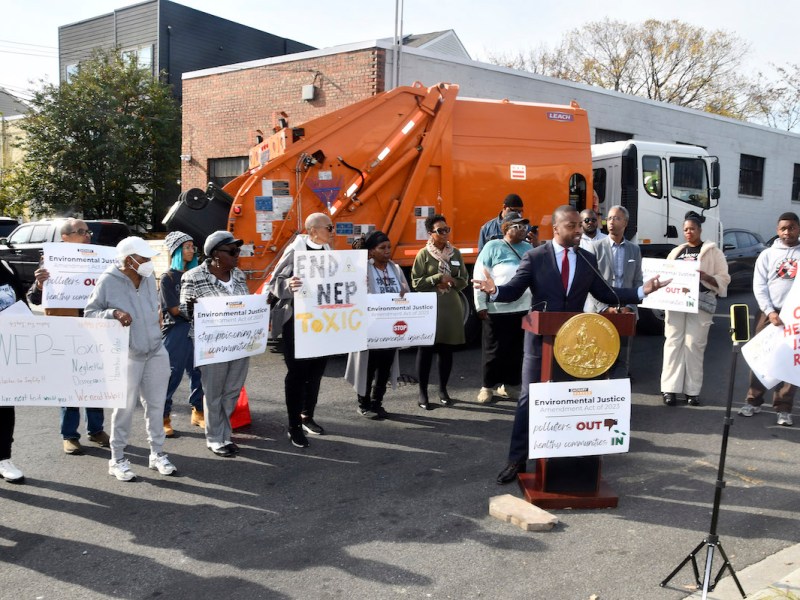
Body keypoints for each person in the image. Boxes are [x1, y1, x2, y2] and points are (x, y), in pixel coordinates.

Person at [473, 205, 668, 485]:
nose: (579, 230)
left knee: (569, 400)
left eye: (580, 225)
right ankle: (517, 458)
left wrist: (640, 291)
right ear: (556, 228)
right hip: (540, 342)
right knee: (530, 399)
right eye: (572, 226)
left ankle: (563, 457)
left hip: (574, 343)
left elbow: (606, 293)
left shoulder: (587, 259)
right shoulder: (535, 257)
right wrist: (495, 291)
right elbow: (514, 290)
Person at [85, 237, 176, 481]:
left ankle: (157, 454)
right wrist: (113, 313)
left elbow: (153, 307)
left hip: (156, 349)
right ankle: (117, 459)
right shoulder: (108, 280)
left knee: (157, 405)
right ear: (129, 260)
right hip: (127, 354)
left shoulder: (147, 277)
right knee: (123, 409)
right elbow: (90, 312)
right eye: (144, 258)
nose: (149, 263)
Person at [26, 218, 110, 456]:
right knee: (69, 384)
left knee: (95, 381)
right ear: (65, 237)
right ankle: (70, 435)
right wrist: (40, 285)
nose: (87, 235)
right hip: (67, 331)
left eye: (88, 231)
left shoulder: (98, 259)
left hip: (95, 329)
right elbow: (34, 299)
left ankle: (96, 430)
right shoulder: (52, 261)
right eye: (81, 232)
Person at [180, 230, 250, 456]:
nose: (237, 254)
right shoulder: (194, 276)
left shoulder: (238, 274)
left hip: (239, 342)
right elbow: (184, 309)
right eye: (232, 251)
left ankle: (224, 434)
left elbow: (246, 304)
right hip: (212, 345)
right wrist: (191, 308)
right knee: (213, 392)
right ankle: (214, 438)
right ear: (216, 255)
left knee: (232, 391)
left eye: (238, 250)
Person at [269, 213, 334, 448]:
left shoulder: (329, 252)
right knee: (297, 374)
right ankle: (293, 425)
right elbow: (274, 282)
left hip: (324, 322)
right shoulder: (296, 251)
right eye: (329, 227)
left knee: (316, 372)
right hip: (297, 322)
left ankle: (308, 416)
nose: (332, 231)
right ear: (313, 230)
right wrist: (289, 285)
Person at [661, 212, 730, 407]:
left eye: (692, 229)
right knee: (673, 344)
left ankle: (692, 391)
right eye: (685, 230)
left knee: (694, 346)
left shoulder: (713, 252)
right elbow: (666, 273)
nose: (688, 232)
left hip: (700, 302)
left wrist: (706, 277)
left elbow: (724, 278)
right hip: (676, 303)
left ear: (700, 230)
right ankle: (669, 389)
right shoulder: (676, 252)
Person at [739, 212, 800, 426]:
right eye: (783, 228)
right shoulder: (767, 255)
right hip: (769, 313)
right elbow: (759, 285)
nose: (787, 232)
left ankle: (783, 408)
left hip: (795, 316)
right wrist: (770, 311)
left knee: (790, 360)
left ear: (798, 229)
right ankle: (753, 401)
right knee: (762, 357)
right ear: (777, 230)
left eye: (791, 227)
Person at [345, 231, 410, 419]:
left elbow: (406, 291)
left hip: (390, 328)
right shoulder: (362, 269)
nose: (387, 251)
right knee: (367, 367)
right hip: (369, 328)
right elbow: (352, 293)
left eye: (389, 247)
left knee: (385, 367)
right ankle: (363, 404)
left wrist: (405, 292)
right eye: (382, 248)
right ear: (371, 251)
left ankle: (377, 403)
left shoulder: (395, 269)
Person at [473, 211, 533, 403]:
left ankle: (509, 386)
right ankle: (487, 387)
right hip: (497, 309)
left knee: (516, 350)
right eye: (518, 226)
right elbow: (480, 275)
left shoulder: (528, 248)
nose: (523, 230)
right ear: (507, 228)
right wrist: (480, 304)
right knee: (493, 351)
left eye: (524, 226)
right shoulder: (492, 247)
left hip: (523, 308)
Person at [411, 214, 469, 409]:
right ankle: (423, 393)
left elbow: (464, 280)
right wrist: (437, 277)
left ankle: (443, 390)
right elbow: (416, 283)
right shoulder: (423, 254)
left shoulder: (456, 254)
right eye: (440, 231)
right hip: (429, 307)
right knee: (426, 350)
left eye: (447, 230)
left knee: (446, 350)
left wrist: (452, 281)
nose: (445, 234)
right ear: (430, 233)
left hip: (450, 307)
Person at [586, 205, 643, 378]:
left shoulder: (634, 249)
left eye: (616, 218)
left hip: (625, 310)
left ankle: (620, 389)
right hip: (600, 310)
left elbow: (637, 281)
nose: (611, 222)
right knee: (598, 354)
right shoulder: (595, 247)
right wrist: (604, 307)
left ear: (625, 222)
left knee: (622, 356)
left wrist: (630, 307)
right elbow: (589, 283)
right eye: (609, 218)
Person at [159, 231, 203, 437]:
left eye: (192, 246)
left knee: (199, 371)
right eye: (186, 247)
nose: (191, 250)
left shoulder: (198, 275)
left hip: (198, 328)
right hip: (176, 329)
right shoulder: (167, 278)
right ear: (176, 251)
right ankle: (163, 417)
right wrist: (195, 306)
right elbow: (174, 310)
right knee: (171, 374)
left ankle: (198, 411)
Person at [0, 259, 27, 483]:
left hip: (7, 351)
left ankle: (3, 459)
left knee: (5, 406)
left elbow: (23, 304)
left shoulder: (6, 266)